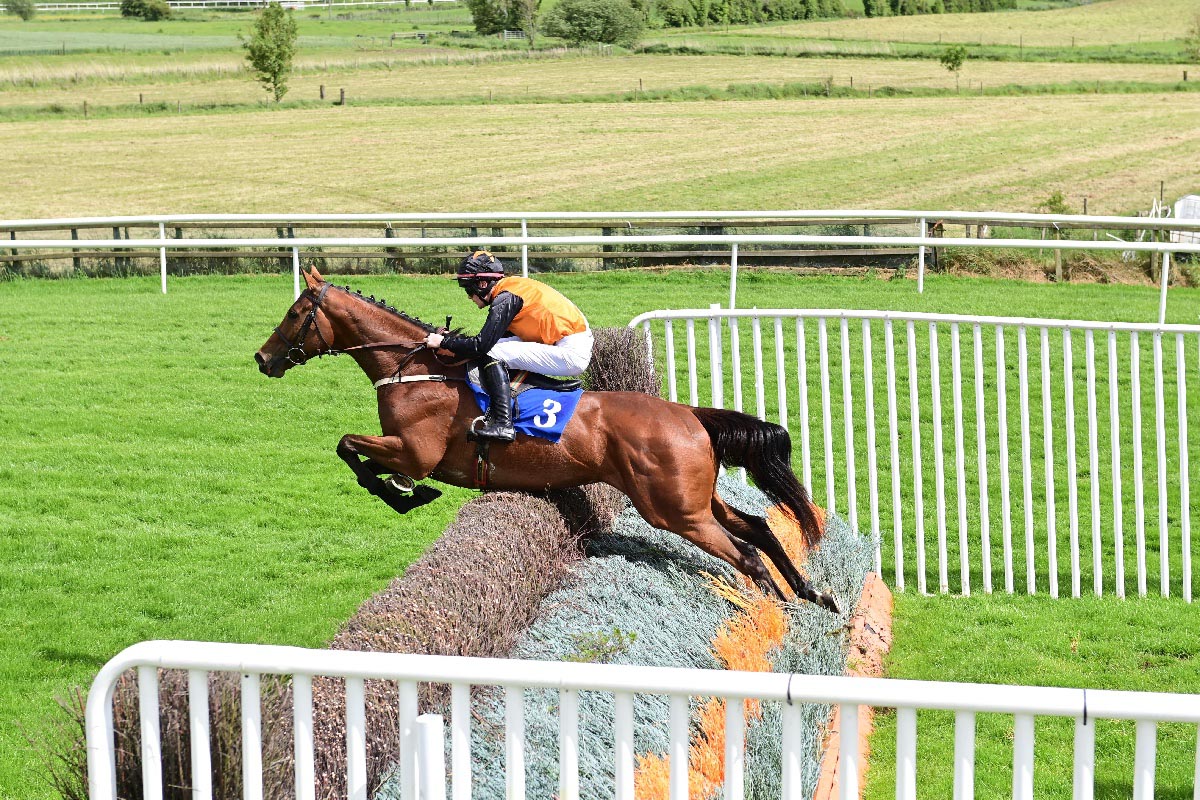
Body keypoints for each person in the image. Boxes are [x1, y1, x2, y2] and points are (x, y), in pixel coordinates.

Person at [424, 250, 593, 443]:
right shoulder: (510, 289)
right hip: (566, 340)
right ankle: (544, 385)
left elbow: (481, 346)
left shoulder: (506, 298)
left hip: (570, 351)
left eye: (468, 289)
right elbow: (488, 339)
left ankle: (503, 425)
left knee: (494, 352)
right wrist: (456, 341)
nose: (469, 296)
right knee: (498, 347)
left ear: (482, 284)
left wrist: (443, 342)